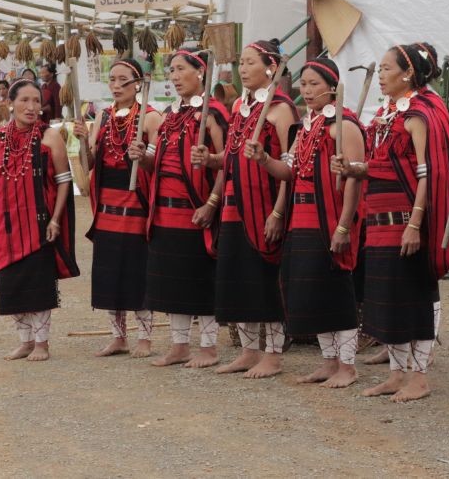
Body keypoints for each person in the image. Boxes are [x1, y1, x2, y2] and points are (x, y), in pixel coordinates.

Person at [332, 42, 449, 402]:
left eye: (387, 69)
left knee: (413, 296)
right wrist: (354, 168)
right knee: (387, 298)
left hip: (405, 221)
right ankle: (396, 374)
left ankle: (418, 377)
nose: (381, 75)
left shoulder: (420, 113)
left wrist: (415, 224)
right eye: (381, 69)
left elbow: (427, 172)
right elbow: (382, 165)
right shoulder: (388, 113)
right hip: (380, 222)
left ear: (408, 73)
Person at [252, 58, 366, 388]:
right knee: (311, 290)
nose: (307, 90)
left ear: (332, 87)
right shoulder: (304, 128)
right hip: (300, 220)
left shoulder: (344, 127)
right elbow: (289, 173)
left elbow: (355, 180)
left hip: (328, 219)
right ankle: (328, 362)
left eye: (314, 83)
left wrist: (344, 226)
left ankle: (347, 366)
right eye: (304, 84)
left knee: (335, 291)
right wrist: (264, 159)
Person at [191, 39, 298, 379]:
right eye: (241, 63)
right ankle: (249, 351)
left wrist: (279, 212)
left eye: (250, 62)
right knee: (241, 278)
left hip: (266, 202)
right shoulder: (240, 105)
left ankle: (273, 354)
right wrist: (211, 159)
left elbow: (290, 166)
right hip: (235, 203)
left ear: (270, 67)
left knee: (265, 280)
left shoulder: (282, 109)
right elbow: (233, 156)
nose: (243, 69)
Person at [0, 79, 78, 361]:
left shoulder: (50, 136)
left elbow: (64, 181)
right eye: (24, 100)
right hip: (4, 225)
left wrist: (55, 219)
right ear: (10, 103)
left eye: (36, 101)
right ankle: (25, 340)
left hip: (38, 223)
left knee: (37, 283)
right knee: (11, 282)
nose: (31, 107)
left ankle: (42, 343)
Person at [144, 49, 229, 369]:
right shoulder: (169, 115)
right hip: (165, 211)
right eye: (172, 71)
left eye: (181, 69)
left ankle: (208, 347)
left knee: (199, 279)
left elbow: (226, 162)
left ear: (201, 73)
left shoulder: (214, 113)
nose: (175, 76)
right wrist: (142, 155)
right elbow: (158, 163)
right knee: (172, 281)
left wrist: (212, 203)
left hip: (195, 209)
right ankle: (179, 345)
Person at [73, 59, 163, 358]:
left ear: (137, 83)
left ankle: (145, 338)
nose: (116, 85)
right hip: (107, 206)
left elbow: (160, 164)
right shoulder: (103, 116)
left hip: (135, 204)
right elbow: (92, 161)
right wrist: (84, 143)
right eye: (112, 79)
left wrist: (144, 157)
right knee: (109, 273)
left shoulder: (151, 118)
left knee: (137, 272)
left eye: (123, 79)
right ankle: (118, 336)